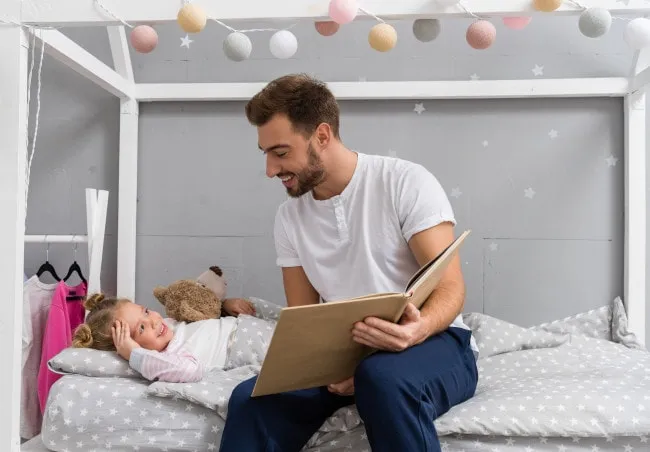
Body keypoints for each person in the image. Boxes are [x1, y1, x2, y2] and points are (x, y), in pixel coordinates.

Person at [219, 73, 479, 452]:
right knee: (250, 399)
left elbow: (450, 287)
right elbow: (305, 318)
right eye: (266, 155)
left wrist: (415, 331)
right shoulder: (289, 217)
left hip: (434, 342)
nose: (271, 170)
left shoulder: (404, 182)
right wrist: (333, 366)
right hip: (348, 355)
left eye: (280, 152)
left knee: (382, 377)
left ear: (322, 136)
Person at [71, 293, 259, 382]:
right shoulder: (169, 356)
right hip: (249, 346)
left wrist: (225, 306)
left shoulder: (169, 324)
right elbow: (190, 371)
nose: (153, 321)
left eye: (145, 311)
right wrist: (134, 354)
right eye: (141, 329)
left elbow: (202, 316)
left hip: (248, 324)